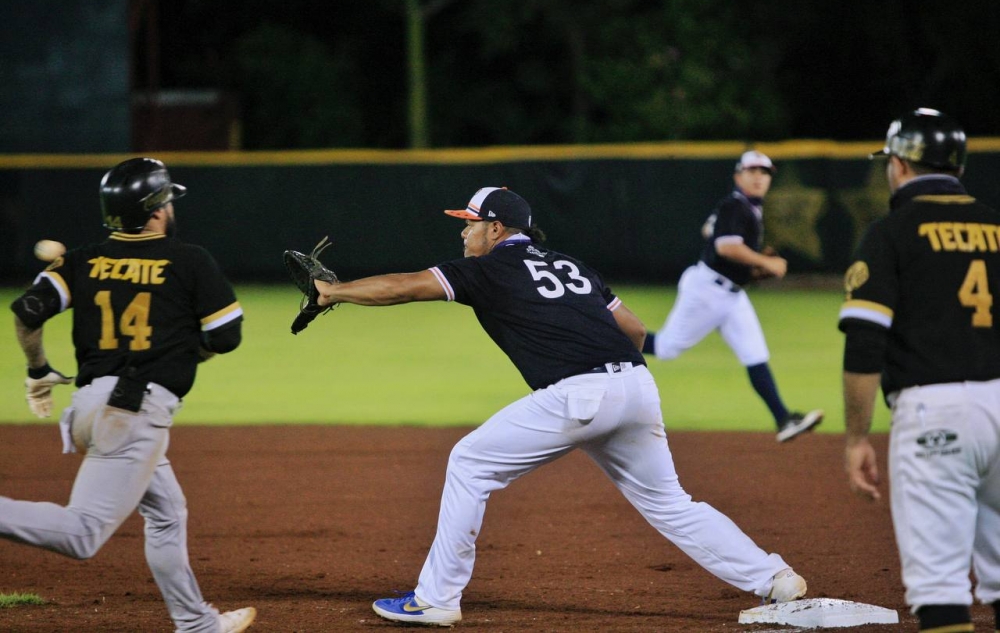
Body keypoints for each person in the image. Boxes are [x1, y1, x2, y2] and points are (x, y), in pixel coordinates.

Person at [309, 186, 808, 626]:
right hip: (637, 386)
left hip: (580, 394)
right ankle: (776, 578)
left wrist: (333, 292)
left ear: (496, 228)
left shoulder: (488, 269)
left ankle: (436, 599)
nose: (464, 234)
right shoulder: (572, 265)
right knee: (672, 504)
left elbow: (402, 287)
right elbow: (634, 330)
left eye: (470, 223)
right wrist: (610, 377)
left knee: (469, 462)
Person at [2, 158, 256, 633]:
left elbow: (27, 312)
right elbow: (225, 337)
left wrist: (38, 368)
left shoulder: (81, 260)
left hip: (89, 407)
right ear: (156, 209)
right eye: (168, 199)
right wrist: (179, 348)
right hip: (133, 413)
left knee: (166, 511)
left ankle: (197, 624)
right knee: (82, 534)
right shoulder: (190, 260)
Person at [841, 108, 1000, 633]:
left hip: (934, 414)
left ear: (902, 165)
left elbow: (865, 344)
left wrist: (857, 438)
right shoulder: (997, 225)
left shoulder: (890, 234)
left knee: (940, 591)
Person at [642, 150, 823, 442]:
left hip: (731, 294)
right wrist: (765, 263)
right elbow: (726, 246)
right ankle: (604, 337)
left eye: (764, 173)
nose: (758, 177)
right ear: (738, 176)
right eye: (752, 171)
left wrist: (748, 267)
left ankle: (783, 419)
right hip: (708, 291)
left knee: (755, 354)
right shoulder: (735, 206)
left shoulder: (745, 208)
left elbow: (709, 232)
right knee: (666, 348)